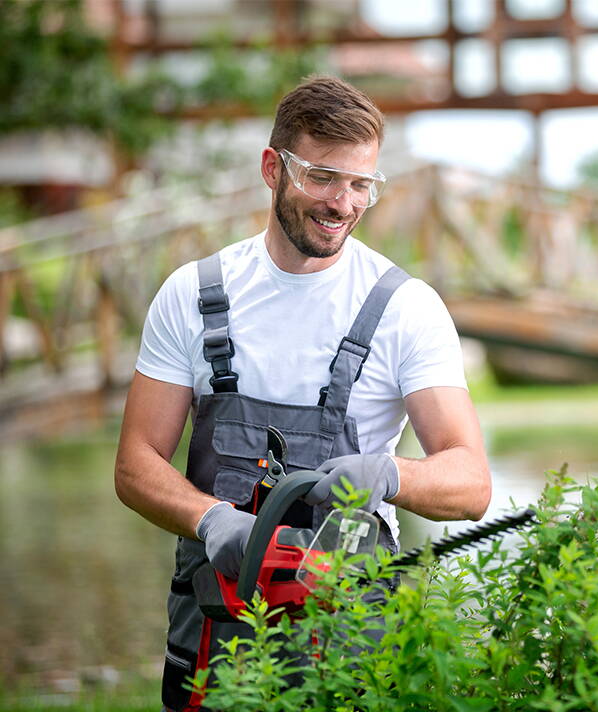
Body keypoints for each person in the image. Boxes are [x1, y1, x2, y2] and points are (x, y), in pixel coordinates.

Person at [114, 74, 491, 712]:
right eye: (322, 176)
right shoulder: (192, 293)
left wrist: (388, 473)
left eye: (360, 185)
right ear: (273, 168)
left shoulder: (405, 308)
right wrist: (211, 521)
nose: (341, 203)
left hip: (352, 637)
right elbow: (134, 465)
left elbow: (472, 483)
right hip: (213, 632)